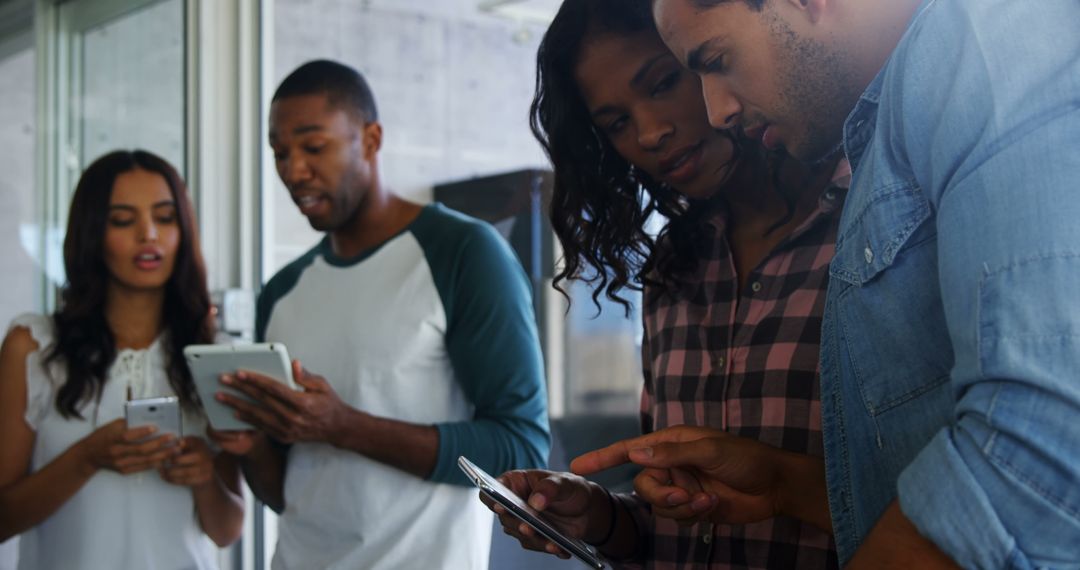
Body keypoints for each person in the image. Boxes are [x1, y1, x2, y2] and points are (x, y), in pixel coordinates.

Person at [580, 0, 1080, 567]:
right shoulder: (889, 131)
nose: (715, 110)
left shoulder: (992, 41)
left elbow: (1044, 439)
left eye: (716, 60)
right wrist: (782, 484)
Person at [485, 0, 845, 567]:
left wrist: (784, 483)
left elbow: (963, 501)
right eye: (617, 123)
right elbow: (677, 521)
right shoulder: (674, 265)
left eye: (663, 83)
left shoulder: (869, 224)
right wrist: (600, 515)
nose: (650, 133)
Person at [212, 60, 551, 570]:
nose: (292, 170)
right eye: (279, 153)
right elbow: (292, 493)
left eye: (312, 146)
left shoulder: (463, 253)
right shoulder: (282, 292)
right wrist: (250, 446)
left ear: (370, 139)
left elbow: (521, 448)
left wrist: (343, 425)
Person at [0, 150, 244, 569]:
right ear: (93, 234)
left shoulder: (214, 357)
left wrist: (205, 478)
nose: (148, 234)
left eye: (165, 218)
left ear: (183, 232)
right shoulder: (35, 347)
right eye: (123, 220)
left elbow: (226, 530)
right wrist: (86, 458)